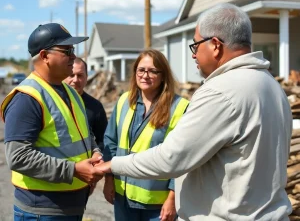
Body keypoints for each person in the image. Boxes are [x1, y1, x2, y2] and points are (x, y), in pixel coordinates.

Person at [96, 3, 293, 220]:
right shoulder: (272, 86)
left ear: (215, 45)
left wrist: (110, 165)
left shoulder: (221, 91)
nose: (193, 55)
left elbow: (172, 158)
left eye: (196, 45)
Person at [1, 23, 103, 220]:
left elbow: (84, 133)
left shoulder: (72, 93)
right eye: (67, 50)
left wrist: (96, 153)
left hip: (71, 206)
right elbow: (18, 156)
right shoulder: (27, 98)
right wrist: (73, 170)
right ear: (44, 56)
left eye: (73, 50)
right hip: (42, 211)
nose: (73, 55)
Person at [102, 49, 189, 221]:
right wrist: (109, 179)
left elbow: (182, 157)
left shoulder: (180, 107)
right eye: (141, 70)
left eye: (153, 71)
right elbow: (110, 141)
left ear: (163, 75)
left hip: (158, 203)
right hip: (123, 198)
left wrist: (172, 198)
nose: (145, 75)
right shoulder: (124, 101)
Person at [64, 57, 108, 151]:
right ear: (64, 76)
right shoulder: (53, 102)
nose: (75, 80)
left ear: (86, 77)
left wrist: (97, 157)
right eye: (71, 75)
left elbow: (103, 140)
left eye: (80, 75)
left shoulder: (95, 107)